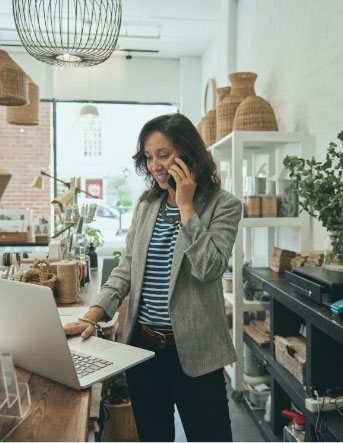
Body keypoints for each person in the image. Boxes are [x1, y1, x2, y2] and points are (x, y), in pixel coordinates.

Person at [64, 113, 242, 442]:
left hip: (198, 353)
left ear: (188, 154)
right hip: (144, 351)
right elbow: (125, 270)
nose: (155, 165)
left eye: (163, 155)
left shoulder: (223, 205)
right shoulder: (147, 207)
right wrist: (94, 313)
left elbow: (210, 268)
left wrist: (186, 208)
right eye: (149, 157)